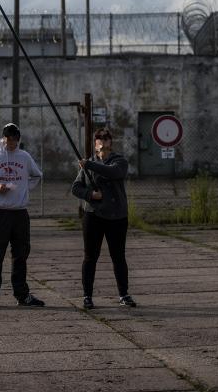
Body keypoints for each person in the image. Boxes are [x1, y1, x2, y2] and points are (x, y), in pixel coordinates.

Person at [0, 122, 45, 308]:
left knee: (21, 254)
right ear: (3, 139)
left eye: (14, 140)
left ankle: (22, 294)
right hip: (1, 213)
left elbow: (37, 175)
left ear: (18, 139)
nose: (10, 143)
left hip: (20, 213)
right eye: (8, 139)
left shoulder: (24, 157)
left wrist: (24, 189)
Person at [71, 127, 137, 310]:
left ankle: (124, 294)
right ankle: (87, 296)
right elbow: (75, 188)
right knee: (90, 257)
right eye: (98, 138)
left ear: (110, 142)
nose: (102, 140)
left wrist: (88, 165)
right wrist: (91, 194)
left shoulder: (119, 161)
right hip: (93, 216)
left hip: (117, 216)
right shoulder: (88, 163)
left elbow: (113, 172)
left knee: (118, 257)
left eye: (105, 138)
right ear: (95, 143)